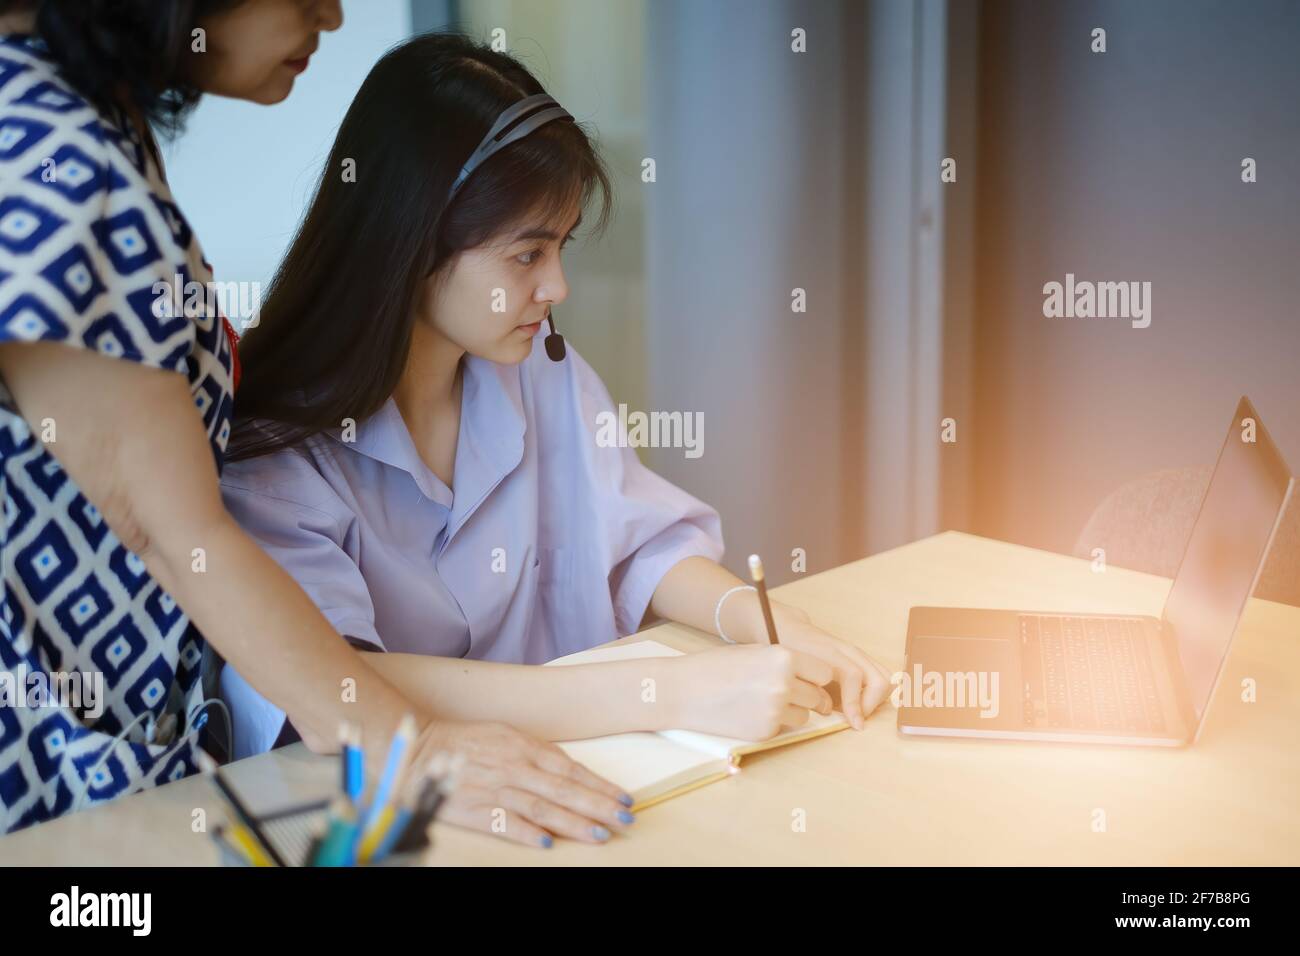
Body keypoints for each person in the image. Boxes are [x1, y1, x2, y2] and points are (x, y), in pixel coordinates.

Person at [0, 0, 635, 848]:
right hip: (50, 758)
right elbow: (170, 531)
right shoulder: (60, 154)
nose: (331, 17)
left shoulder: (81, 121)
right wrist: (412, 750)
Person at [219, 33, 892, 769]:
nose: (558, 288)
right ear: (411, 242)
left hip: (591, 774)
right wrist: (670, 692)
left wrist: (763, 622)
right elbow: (337, 682)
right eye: (527, 255)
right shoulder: (275, 449)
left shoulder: (538, 370)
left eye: (562, 247)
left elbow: (640, 543)